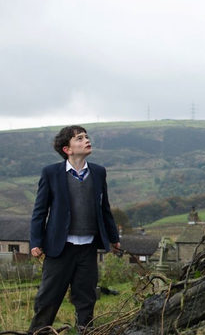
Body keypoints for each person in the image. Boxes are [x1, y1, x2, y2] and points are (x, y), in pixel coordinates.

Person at [28, 125, 121, 334]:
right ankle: (38, 332)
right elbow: (40, 211)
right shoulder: (51, 173)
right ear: (66, 149)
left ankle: (85, 331)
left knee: (86, 298)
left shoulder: (98, 172)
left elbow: (104, 208)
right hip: (59, 248)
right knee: (48, 298)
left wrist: (113, 237)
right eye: (79, 138)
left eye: (86, 137)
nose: (86, 140)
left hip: (88, 247)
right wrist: (36, 242)